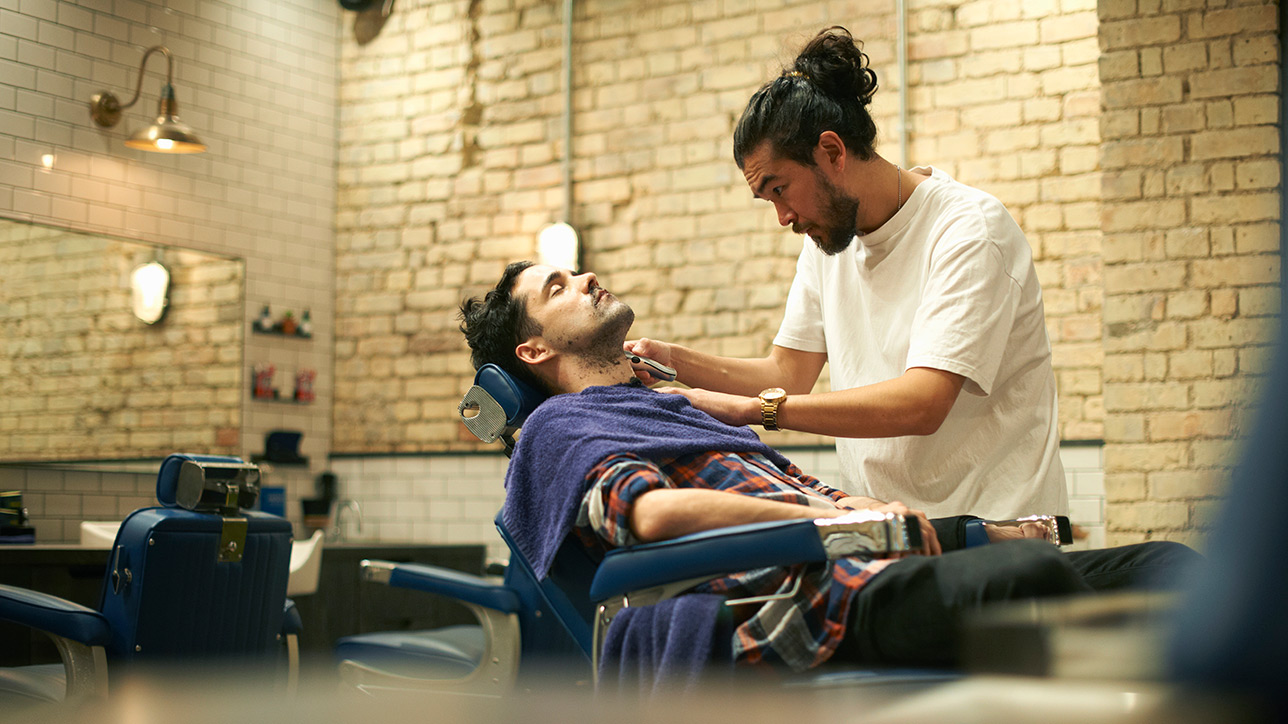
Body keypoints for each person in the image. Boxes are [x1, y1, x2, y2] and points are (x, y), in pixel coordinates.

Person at [458, 261, 1197, 683]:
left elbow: (818, 494)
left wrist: (880, 515)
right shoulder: (559, 428)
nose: (585, 277)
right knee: (1028, 590)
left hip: (863, 566)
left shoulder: (672, 407)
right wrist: (832, 525)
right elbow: (650, 517)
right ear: (532, 353)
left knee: (1164, 569)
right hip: (799, 597)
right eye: (556, 288)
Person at [625, 27, 1064, 522]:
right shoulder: (828, 245)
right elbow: (787, 374)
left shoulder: (968, 229)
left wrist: (751, 410)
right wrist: (672, 359)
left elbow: (923, 402)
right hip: (896, 532)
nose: (782, 217)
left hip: (1003, 534)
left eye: (780, 189)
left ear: (831, 152)